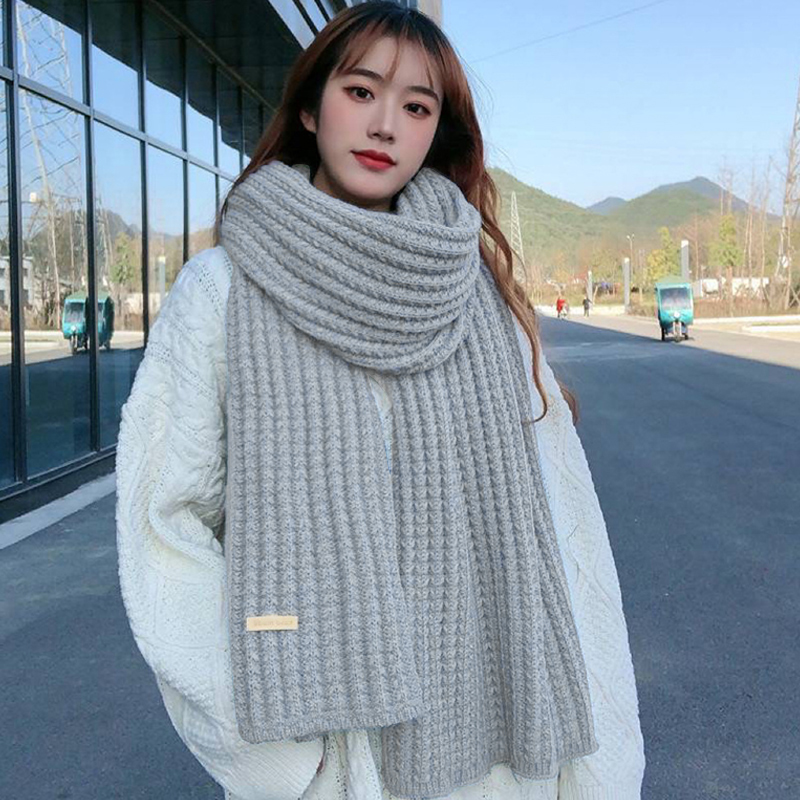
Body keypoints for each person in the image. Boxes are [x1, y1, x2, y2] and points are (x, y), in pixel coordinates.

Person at [115, 3, 645, 800]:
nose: (385, 125)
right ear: (309, 108)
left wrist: (601, 769)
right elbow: (165, 525)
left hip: (500, 758)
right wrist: (272, 758)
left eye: (417, 107)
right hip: (330, 748)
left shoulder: (479, 298)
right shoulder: (222, 292)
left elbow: (566, 528)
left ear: (437, 133)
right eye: (361, 91)